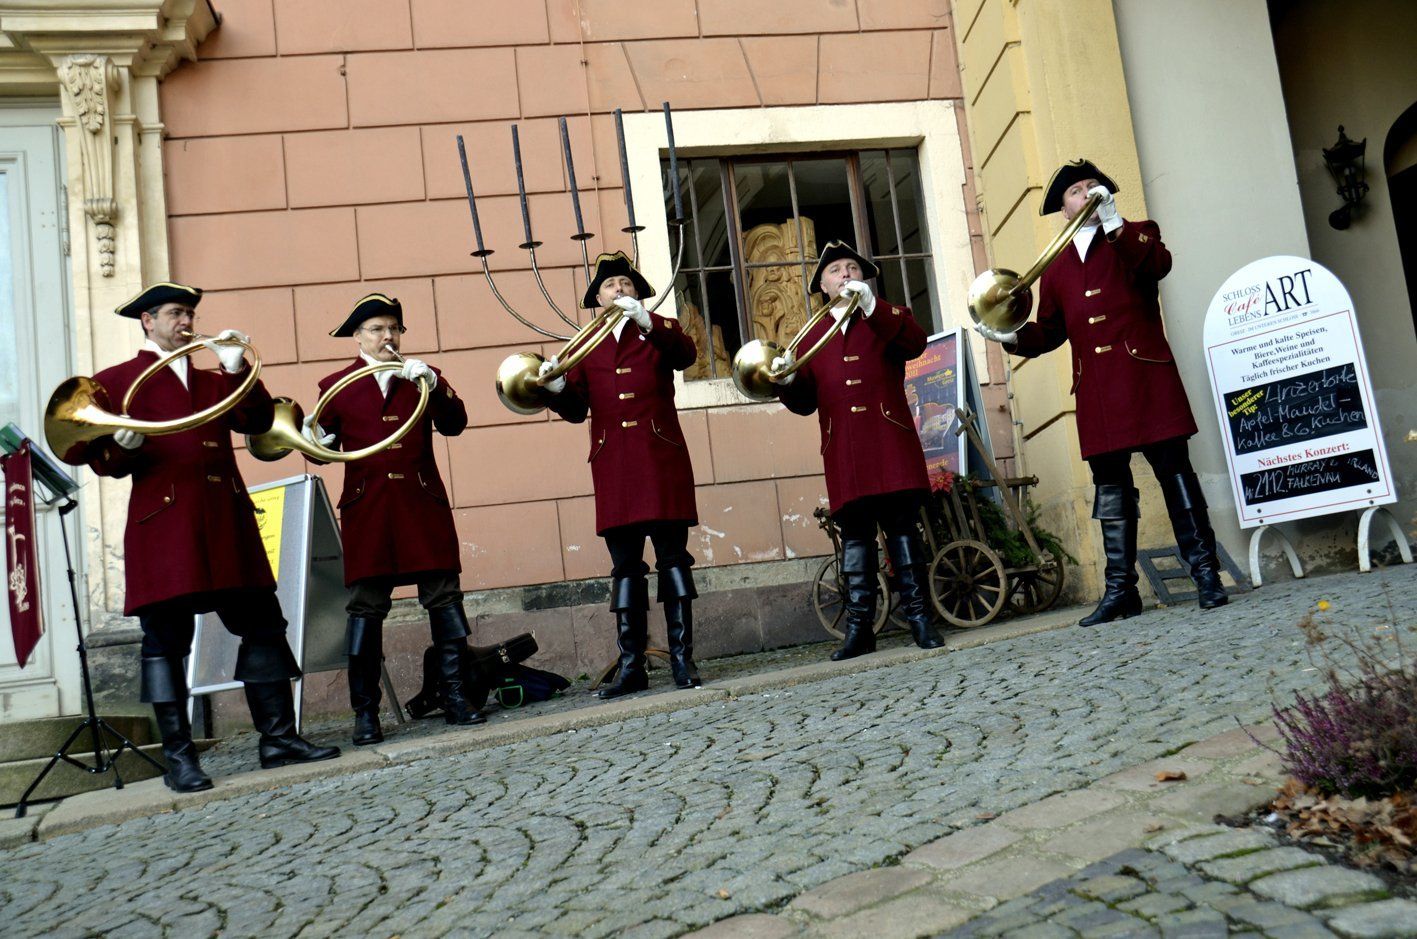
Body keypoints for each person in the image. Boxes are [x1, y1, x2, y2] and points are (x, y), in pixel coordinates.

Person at [87, 282, 339, 793]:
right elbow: (99, 460)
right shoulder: (115, 382)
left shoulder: (213, 380)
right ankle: (180, 759)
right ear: (148, 321)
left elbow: (258, 420)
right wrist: (123, 447)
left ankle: (279, 739)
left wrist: (236, 368)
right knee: (165, 642)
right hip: (167, 529)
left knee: (264, 625)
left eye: (189, 313)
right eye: (175, 313)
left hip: (226, 520)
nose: (186, 322)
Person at [973, 158, 1227, 626]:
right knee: (1110, 490)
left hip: (1146, 378)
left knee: (1176, 476)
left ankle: (1207, 574)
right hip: (1096, 389)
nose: (1086, 193)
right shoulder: (1055, 267)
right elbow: (1051, 331)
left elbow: (1159, 264)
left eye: (1093, 186)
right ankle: (1120, 590)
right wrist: (1011, 336)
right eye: (1076, 191)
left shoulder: (1135, 233)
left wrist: (1115, 222)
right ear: (1064, 208)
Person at [304, 293, 483, 744]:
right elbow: (321, 452)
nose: (388, 336)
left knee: (444, 599)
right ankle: (366, 714)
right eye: (377, 329)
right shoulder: (336, 386)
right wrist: (312, 433)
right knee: (366, 609)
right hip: (370, 510)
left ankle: (456, 695)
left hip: (421, 503)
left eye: (394, 328)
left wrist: (434, 385)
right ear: (358, 336)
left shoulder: (422, 376)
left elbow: (456, 423)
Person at [772, 241, 946, 660]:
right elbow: (805, 402)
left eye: (852, 268)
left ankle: (920, 619)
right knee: (855, 540)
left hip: (888, 441)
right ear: (823, 285)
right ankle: (859, 629)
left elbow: (915, 343)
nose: (845, 274)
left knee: (902, 531)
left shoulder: (887, 316)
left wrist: (872, 306)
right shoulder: (810, 335)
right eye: (835, 271)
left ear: (864, 278)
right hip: (844, 449)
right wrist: (785, 383)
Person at [539, 251, 702, 697]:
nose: (620, 290)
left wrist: (648, 321)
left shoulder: (658, 331)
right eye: (611, 285)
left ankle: (683, 659)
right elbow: (576, 409)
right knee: (626, 568)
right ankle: (632, 666)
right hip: (614, 467)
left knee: (674, 562)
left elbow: (686, 355)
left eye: (626, 284)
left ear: (638, 294)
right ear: (598, 298)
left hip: (660, 460)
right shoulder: (584, 344)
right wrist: (556, 387)